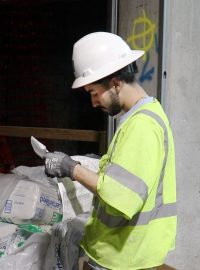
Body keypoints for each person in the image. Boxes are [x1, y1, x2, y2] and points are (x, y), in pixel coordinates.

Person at [44, 32, 177, 270]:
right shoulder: (142, 117)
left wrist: (71, 169)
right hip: (127, 253)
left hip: (124, 257)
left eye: (94, 93)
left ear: (115, 83)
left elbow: (122, 196)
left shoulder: (142, 125)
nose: (94, 103)